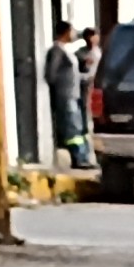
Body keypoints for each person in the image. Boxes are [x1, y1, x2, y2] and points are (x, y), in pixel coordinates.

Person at [43, 22, 88, 168]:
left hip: (74, 95)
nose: (74, 34)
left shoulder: (66, 50)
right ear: (66, 32)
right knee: (72, 128)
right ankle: (78, 158)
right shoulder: (57, 51)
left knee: (77, 127)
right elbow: (51, 74)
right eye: (72, 31)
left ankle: (82, 157)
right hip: (66, 96)